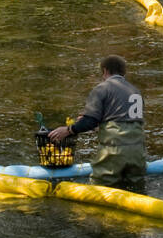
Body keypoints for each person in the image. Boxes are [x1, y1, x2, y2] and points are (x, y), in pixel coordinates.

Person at [49, 55, 146, 187]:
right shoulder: (135, 91)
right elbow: (125, 119)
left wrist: (68, 130)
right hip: (138, 149)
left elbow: (90, 122)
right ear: (124, 72)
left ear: (105, 71)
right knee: (136, 188)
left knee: (101, 188)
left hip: (114, 148)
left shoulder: (102, 88)